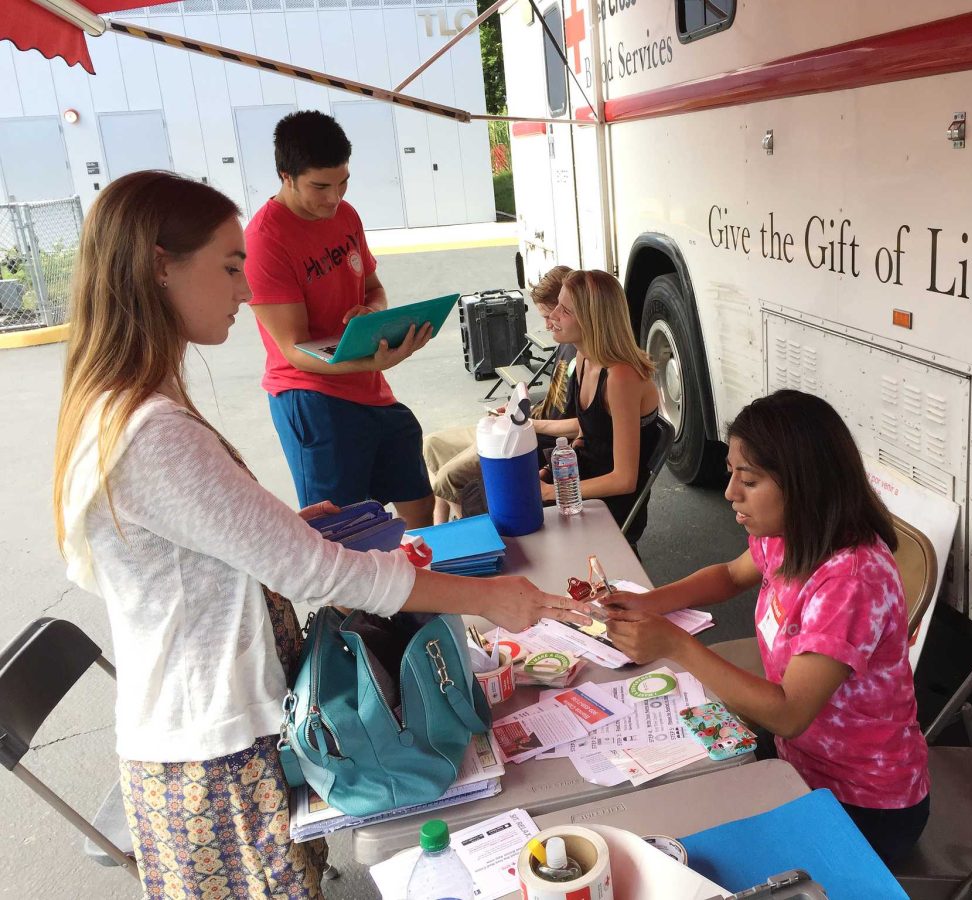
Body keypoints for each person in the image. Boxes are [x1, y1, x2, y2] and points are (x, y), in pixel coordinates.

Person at [51, 171, 589, 899]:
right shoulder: (151, 433)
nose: (246, 291)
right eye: (230, 266)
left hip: (202, 733)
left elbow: (159, 559)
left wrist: (267, 534)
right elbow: (319, 575)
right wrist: (488, 596)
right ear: (158, 265)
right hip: (213, 752)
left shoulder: (121, 406)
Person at [603, 390, 930, 864]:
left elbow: (788, 712)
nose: (731, 492)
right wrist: (648, 601)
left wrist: (674, 643)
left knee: (702, 856)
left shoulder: (851, 581)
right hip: (796, 762)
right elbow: (731, 575)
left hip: (863, 802)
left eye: (749, 480)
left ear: (804, 484)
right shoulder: (790, 536)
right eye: (732, 473)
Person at [245, 110, 436, 528]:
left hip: (371, 388)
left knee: (420, 503)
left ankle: (429, 585)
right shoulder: (265, 241)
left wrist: (375, 313)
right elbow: (294, 350)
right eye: (320, 186)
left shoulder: (346, 215)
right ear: (286, 176)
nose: (334, 198)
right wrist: (372, 362)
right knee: (343, 534)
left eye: (342, 182)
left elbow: (374, 289)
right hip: (312, 397)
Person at [423, 266, 577, 523]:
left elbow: (581, 424)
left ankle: (469, 531)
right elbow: (557, 402)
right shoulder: (566, 345)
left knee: (447, 478)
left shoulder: (584, 356)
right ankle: (443, 527)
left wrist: (529, 423)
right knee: (432, 444)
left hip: (531, 441)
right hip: (524, 427)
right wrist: (519, 411)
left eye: (555, 314)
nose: (548, 324)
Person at [534, 270, 660, 541]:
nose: (552, 315)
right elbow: (588, 434)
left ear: (592, 321)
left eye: (564, 309)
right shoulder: (583, 357)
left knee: (518, 518)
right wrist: (552, 471)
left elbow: (624, 480)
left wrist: (550, 491)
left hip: (611, 504)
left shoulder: (621, 377)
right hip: (584, 481)